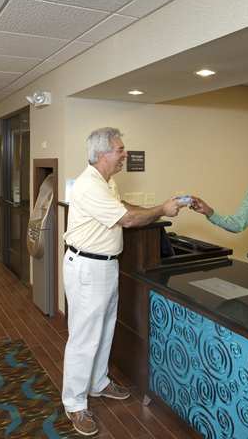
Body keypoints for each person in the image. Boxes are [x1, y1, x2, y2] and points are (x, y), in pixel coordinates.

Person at [62, 127, 183, 436]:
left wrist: (153, 209)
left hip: (104, 266)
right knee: (84, 335)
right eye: (120, 150)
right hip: (87, 267)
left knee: (104, 328)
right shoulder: (89, 185)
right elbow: (127, 219)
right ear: (102, 154)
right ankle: (75, 403)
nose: (125, 154)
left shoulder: (107, 182)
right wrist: (162, 210)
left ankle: (99, 383)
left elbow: (124, 207)